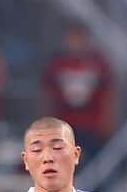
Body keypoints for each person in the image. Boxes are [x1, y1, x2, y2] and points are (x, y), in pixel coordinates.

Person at [40, 23, 115, 162]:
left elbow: (107, 95)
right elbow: (48, 95)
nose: (75, 43)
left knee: (95, 161)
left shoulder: (98, 63)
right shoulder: (57, 63)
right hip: (64, 124)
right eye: (71, 39)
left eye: (78, 38)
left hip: (92, 125)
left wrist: (107, 123)